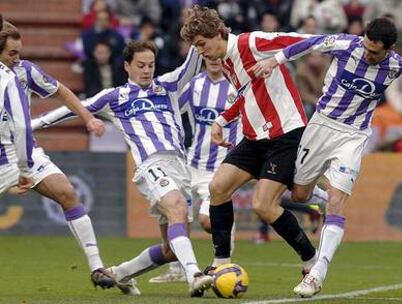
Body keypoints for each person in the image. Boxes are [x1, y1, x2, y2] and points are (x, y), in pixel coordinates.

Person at [31, 40, 213, 297]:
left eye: (151, 65)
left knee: (170, 248)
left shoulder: (168, 87)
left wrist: (198, 39)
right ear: (127, 66)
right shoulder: (114, 97)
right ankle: (194, 275)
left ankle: (120, 273)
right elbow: (74, 107)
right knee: (177, 208)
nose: (147, 70)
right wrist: (31, 126)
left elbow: (191, 66)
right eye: (140, 65)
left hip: (180, 167)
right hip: (151, 164)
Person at [249, 17, 402, 297]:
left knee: (337, 203)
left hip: (353, 135)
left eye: (375, 52)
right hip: (321, 125)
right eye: (367, 48)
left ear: (390, 49)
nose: (368, 55)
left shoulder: (396, 66)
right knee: (298, 195)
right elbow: (309, 43)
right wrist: (276, 60)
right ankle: (322, 199)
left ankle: (317, 274)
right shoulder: (346, 44)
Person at [180, 5, 327, 276]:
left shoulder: (253, 42)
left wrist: (277, 59)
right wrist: (221, 121)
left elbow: (304, 41)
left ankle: (310, 258)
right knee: (218, 187)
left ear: (216, 34)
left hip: (285, 134)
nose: (200, 51)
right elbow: (246, 94)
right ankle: (221, 263)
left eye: (202, 44)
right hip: (254, 137)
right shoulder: (225, 62)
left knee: (263, 206)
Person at [0, 18, 113, 289]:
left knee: (67, 193)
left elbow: (63, 92)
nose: (17, 59)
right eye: (11, 54)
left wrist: (87, 118)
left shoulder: (25, 72)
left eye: (19, 52)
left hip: (24, 154)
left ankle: (97, 267)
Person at [149, 57, 242, 283]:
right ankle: (177, 270)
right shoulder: (194, 85)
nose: (214, 61)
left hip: (220, 167)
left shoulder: (236, 87)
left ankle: (224, 260)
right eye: (208, 58)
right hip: (191, 165)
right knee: (176, 214)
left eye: (218, 57)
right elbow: (171, 110)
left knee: (207, 221)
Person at [0, 16, 34, 196]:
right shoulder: (9, 80)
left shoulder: (20, 73)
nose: (17, 59)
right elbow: (22, 126)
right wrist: (25, 171)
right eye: (12, 53)